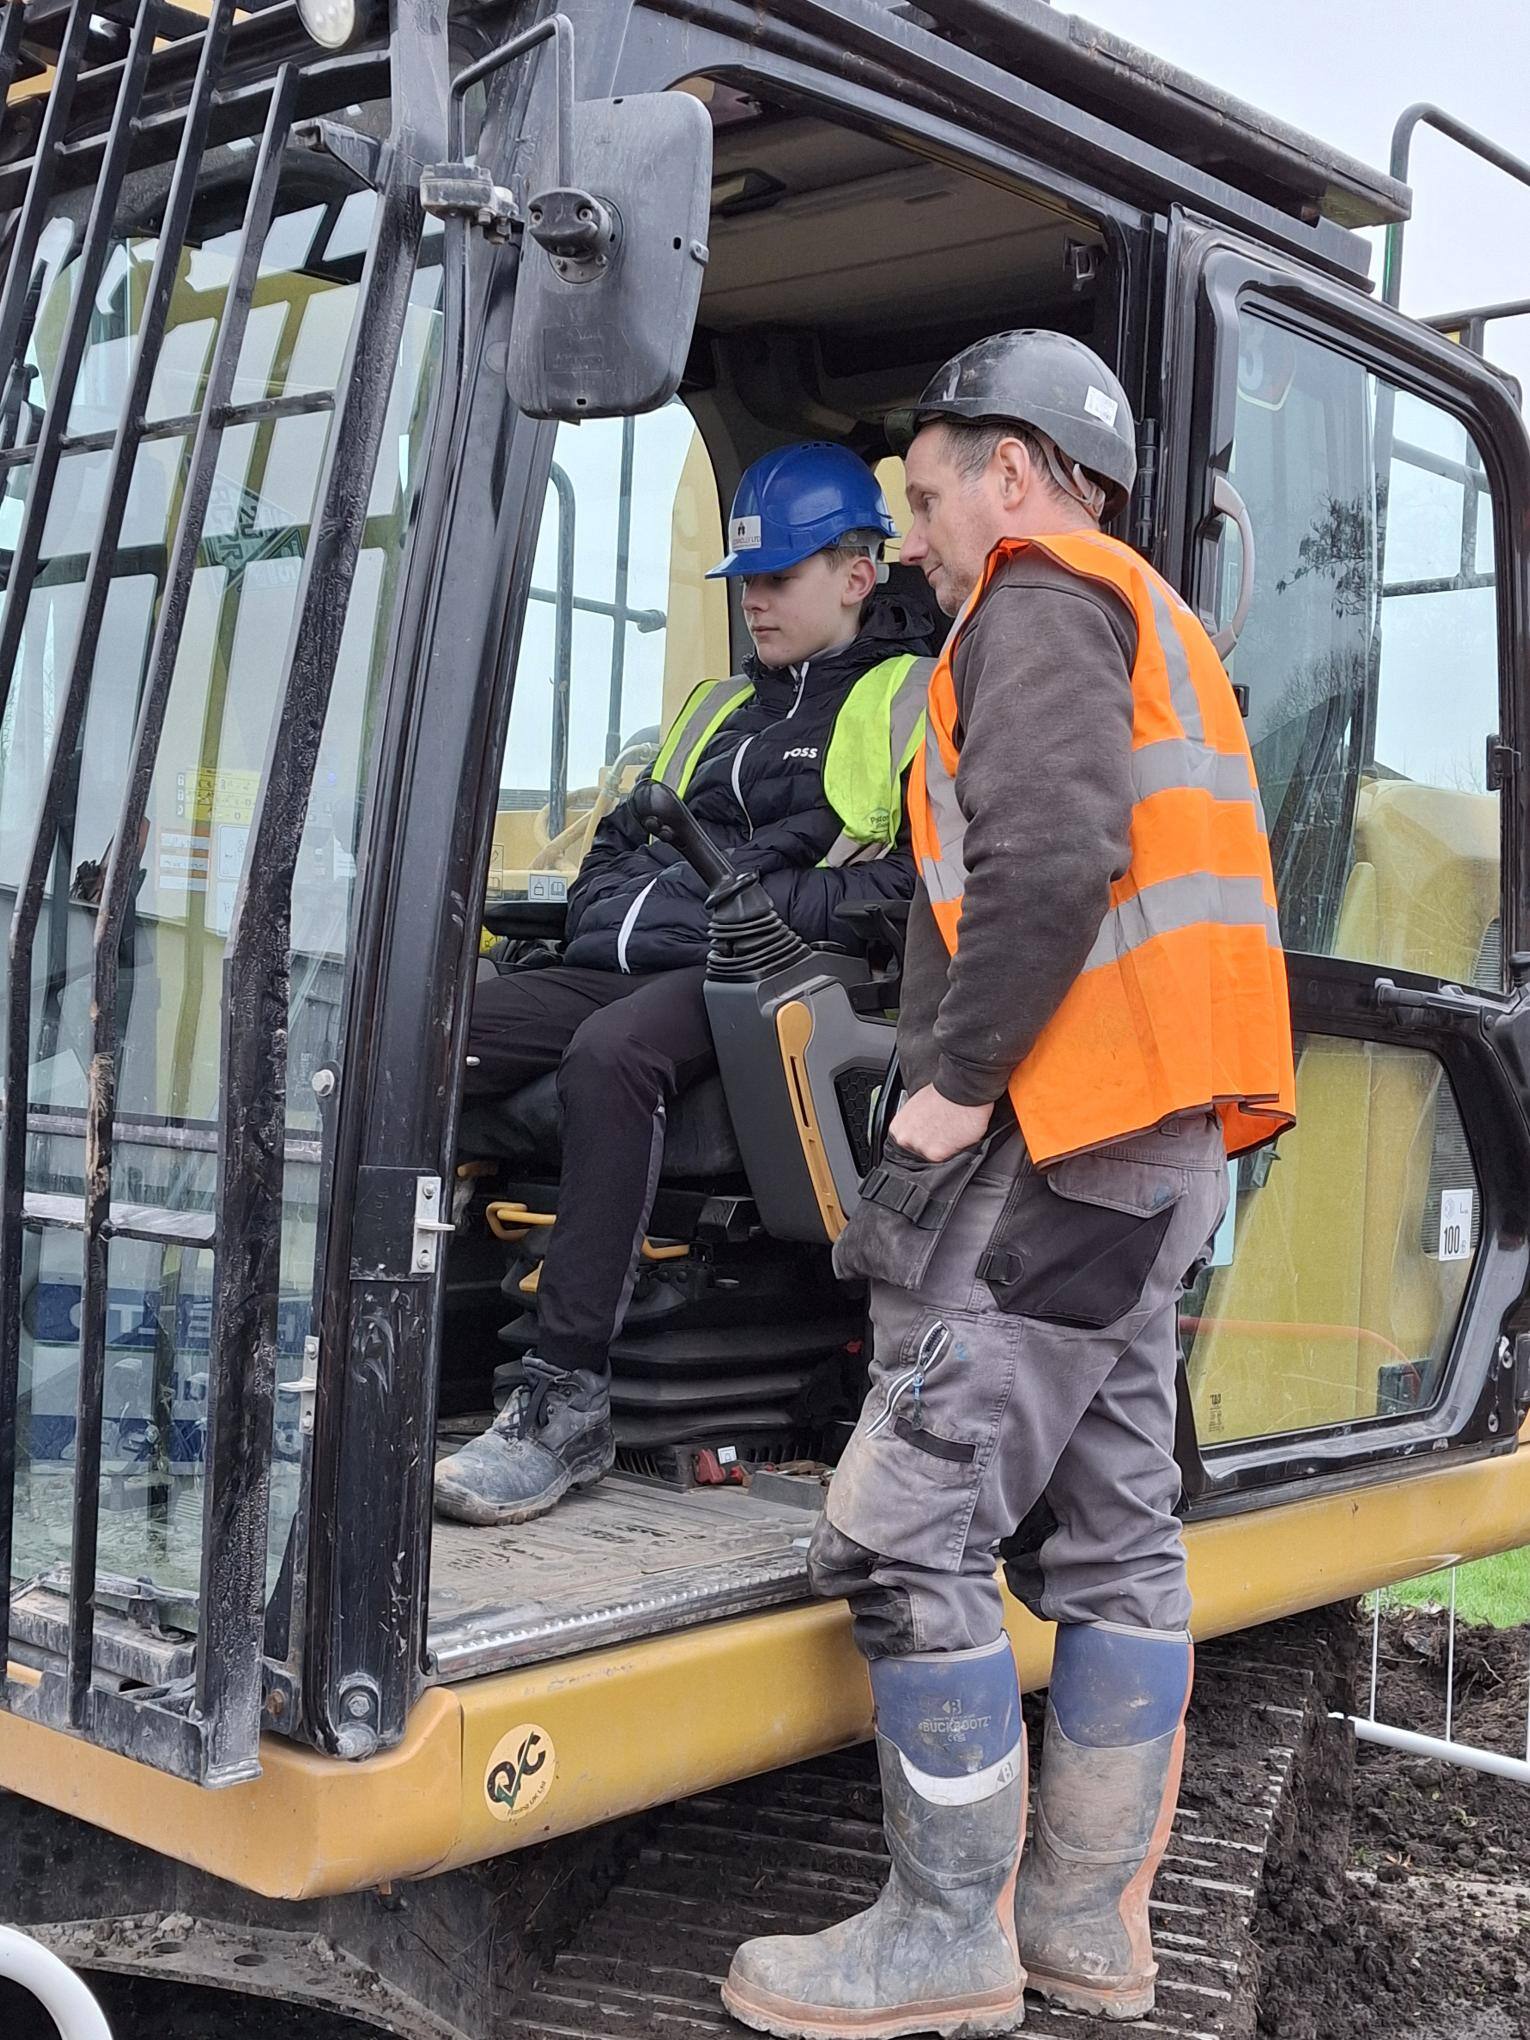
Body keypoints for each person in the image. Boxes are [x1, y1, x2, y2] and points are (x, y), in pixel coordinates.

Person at [722, 333, 1296, 2039]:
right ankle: (1084, 1939)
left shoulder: (1038, 599)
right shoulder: (1153, 615)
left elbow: (1049, 857)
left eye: (923, 494)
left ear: (1017, 472)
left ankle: (944, 1938)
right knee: (1119, 1534)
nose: (912, 537)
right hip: (1159, 1145)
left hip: (1070, 1136)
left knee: (905, 1528)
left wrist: (949, 1096)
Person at [434, 442, 936, 1529]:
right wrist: (642, 910)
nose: (754, 600)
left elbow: (908, 887)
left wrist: (753, 911)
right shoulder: (713, 708)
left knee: (614, 1057)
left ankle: (563, 1398)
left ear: (858, 572)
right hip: (626, 962)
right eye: (744, 580)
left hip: (766, 988)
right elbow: (618, 845)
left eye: (780, 576)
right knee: (417, 1028)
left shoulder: (910, 703)